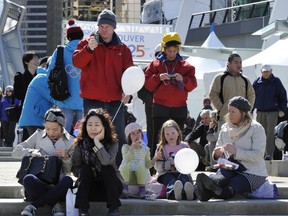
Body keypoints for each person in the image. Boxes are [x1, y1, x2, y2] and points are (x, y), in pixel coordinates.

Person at [73, 9, 134, 167]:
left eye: (108, 26)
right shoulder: (87, 43)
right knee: (90, 135)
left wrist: (128, 92)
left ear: (114, 28)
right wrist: (89, 50)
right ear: (97, 26)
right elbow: (77, 62)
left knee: (117, 136)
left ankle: (118, 172)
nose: (104, 29)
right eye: (101, 26)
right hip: (92, 101)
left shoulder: (123, 49)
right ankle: (88, 169)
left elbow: (130, 74)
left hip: (115, 101)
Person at [195, 96, 268, 202]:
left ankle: (205, 192)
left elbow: (258, 155)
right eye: (229, 111)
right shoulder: (225, 128)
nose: (229, 114)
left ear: (242, 113)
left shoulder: (256, 128)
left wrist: (236, 152)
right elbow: (216, 154)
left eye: (233, 112)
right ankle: (209, 186)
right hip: (231, 166)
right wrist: (217, 153)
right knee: (220, 179)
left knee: (235, 184)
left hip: (252, 171)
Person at [12, 107, 74, 216]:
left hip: (57, 185)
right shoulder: (38, 135)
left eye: (55, 130)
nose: (51, 132)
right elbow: (16, 152)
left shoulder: (71, 141)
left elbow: (70, 171)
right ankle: (56, 205)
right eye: (48, 128)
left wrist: (66, 157)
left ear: (62, 127)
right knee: (28, 179)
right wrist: (32, 152)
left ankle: (33, 206)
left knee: (68, 180)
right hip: (38, 182)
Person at [144, 32, 197, 157]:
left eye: (174, 51)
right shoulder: (155, 65)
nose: (172, 54)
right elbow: (148, 85)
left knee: (177, 138)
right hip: (160, 107)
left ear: (178, 50)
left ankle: (178, 165)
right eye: (169, 51)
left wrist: (183, 79)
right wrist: (158, 77)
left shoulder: (186, 66)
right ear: (164, 49)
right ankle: (155, 167)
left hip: (179, 108)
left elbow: (192, 85)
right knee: (158, 137)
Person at [71, 108, 123, 216]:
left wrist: (97, 143)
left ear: (104, 127)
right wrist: (89, 172)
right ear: (85, 126)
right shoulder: (79, 144)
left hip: (110, 189)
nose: (93, 128)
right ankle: (83, 210)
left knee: (107, 169)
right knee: (85, 170)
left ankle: (114, 209)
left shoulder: (112, 143)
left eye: (97, 125)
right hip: (89, 189)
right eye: (90, 125)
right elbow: (75, 168)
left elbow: (106, 161)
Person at [47, 19, 84, 134]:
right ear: (81, 36)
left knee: (62, 132)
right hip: (84, 99)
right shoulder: (87, 50)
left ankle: (61, 151)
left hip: (64, 97)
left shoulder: (60, 51)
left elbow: (49, 73)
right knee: (85, 133)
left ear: (68, 37)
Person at [209, 53, 255, 129]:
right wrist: (222, 108)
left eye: (240, 63)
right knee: (225, 140)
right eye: (236, 62)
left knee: (243, 141)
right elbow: (213, 94)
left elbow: (251, 95)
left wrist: (247, 110)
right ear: (229, 64)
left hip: (243, 119)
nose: (239, 65)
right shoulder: (220, 78)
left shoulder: (245, 80)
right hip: (225, 118)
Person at [253, 64, 287, 160]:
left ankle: (269, 155)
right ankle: (260, 155)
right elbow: (252, 96)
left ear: (271, 71)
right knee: (260, 133)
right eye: (264, 71)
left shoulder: (276, 81)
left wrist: (281, 109)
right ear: (261, 71)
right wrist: (250, 110)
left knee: (270, 134)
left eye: (267, 71)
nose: (266, 73)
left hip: (273, 111)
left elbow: (283, 96)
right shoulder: (257, 82)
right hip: (260, 111)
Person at [154, 119, 194, 201]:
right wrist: (170, 163)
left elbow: (190, 162)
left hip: (182, 172)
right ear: (163, 135)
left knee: (184, 179)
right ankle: (173, 193)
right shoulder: (161, 148)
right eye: (167, 134)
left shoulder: (184, 146)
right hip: (166, 173)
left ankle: (188, 193)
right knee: (171, 180)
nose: (170, 136)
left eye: (173, 133)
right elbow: (157, 166)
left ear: (178, 133)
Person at [119, 122, 155, 198]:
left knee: (140, 167)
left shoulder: (145, 149)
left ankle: (142, 190)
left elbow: (147, 165)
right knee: (125, 166)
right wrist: (132, 148)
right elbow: (127, 159)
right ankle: (125, 189)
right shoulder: (125, 147)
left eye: (138, 132)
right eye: (133, 133)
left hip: (141, 178)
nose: (136, 135)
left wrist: (155, 158)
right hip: (128, 177)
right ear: (129, 137)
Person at [137, 43, 162, 153]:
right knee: (152, 132)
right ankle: (151, 158)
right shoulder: (146, 70)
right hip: (151, 108)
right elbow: (140, 91)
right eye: (158, 54)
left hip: (167, 107)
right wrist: (151, 101)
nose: (160, 57)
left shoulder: (172, 69)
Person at [14, 51, 40, 141]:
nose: (37, 61)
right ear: (26, 62)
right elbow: (17, 94)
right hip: (26, 110)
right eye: (34, 59)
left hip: (40, 111)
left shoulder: (41, 76)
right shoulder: (20, 77)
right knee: (27, 137)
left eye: (38, 58)